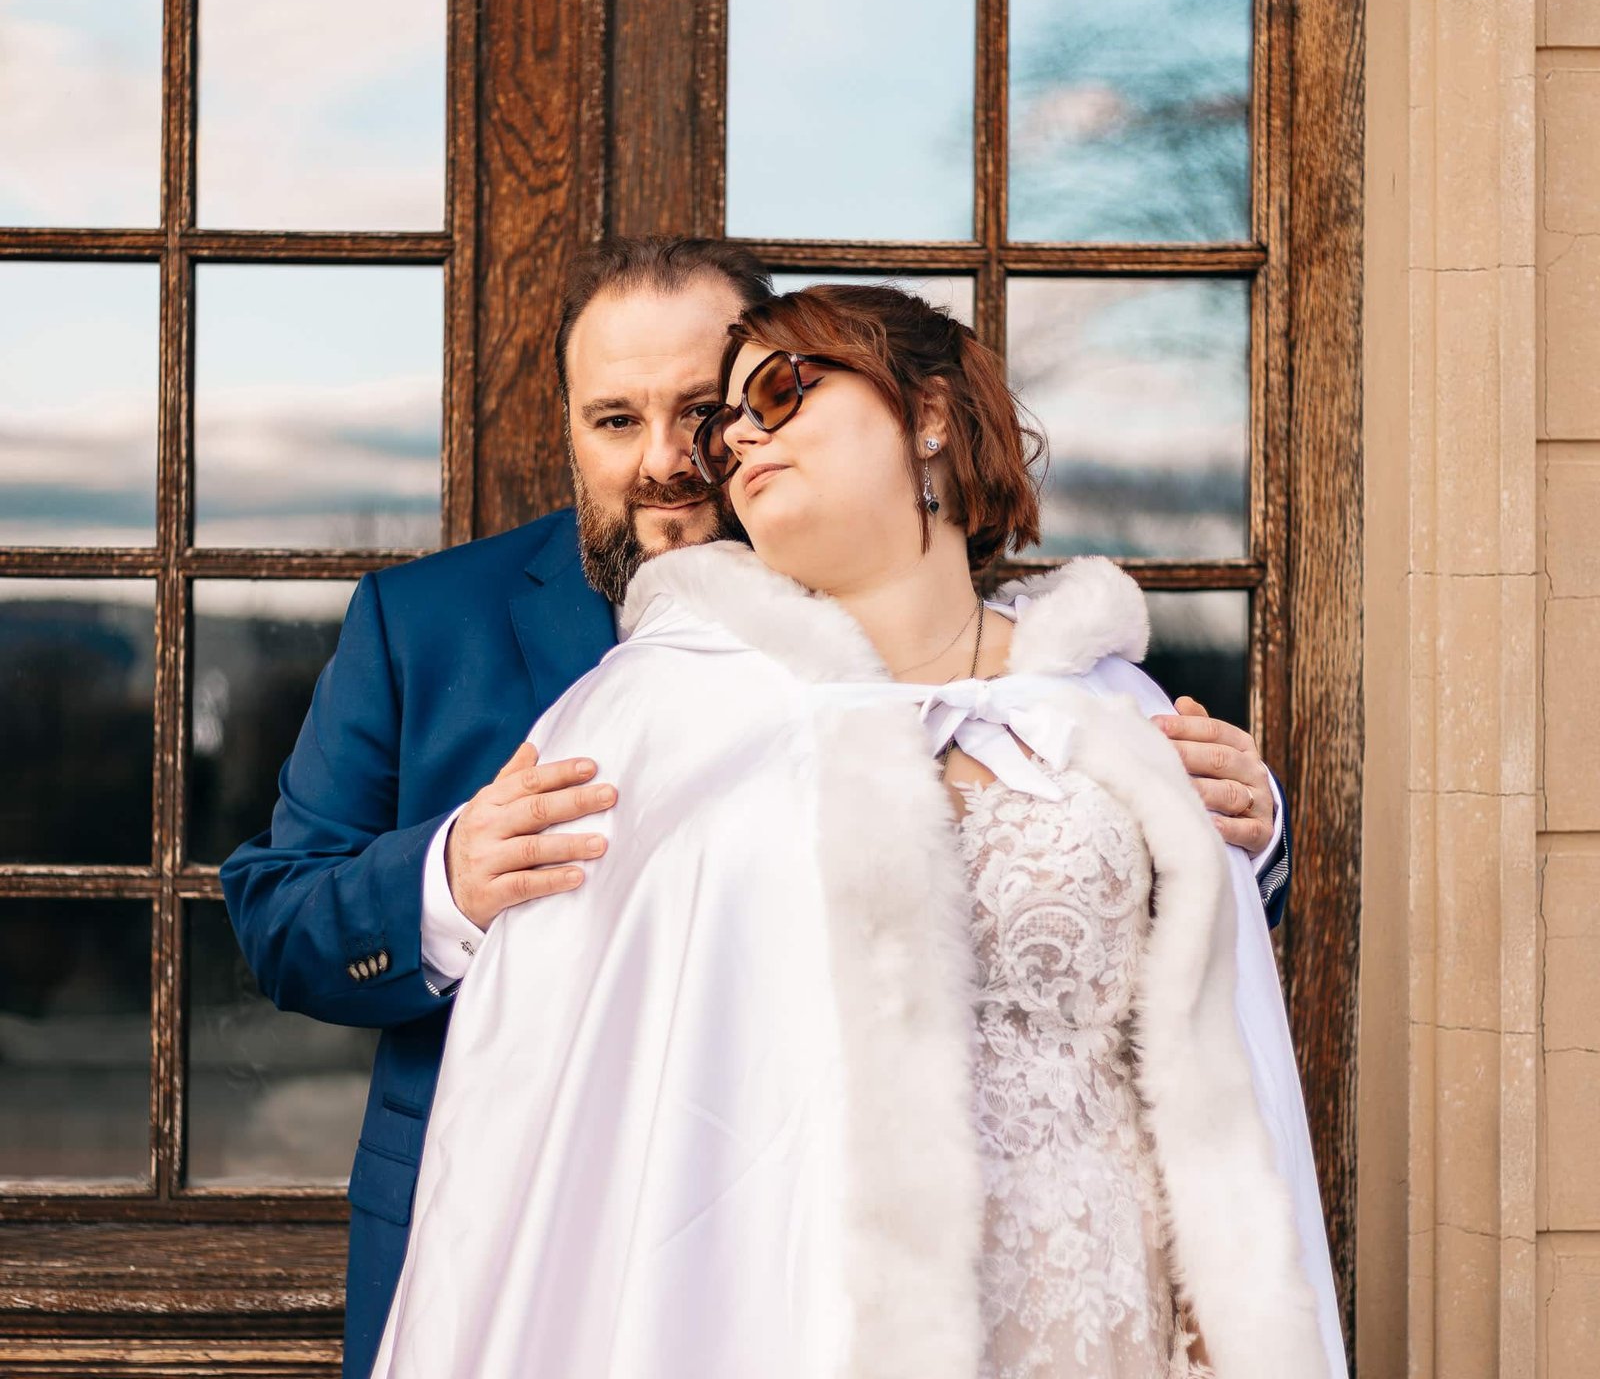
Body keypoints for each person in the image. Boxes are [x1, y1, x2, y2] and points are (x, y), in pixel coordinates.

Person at [220, 239, 1295, 1379]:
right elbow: (280, 912)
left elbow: (1066, 902)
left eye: (709, 411)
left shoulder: (960, 629)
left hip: (881, 1259)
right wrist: (448, 882)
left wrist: (1235, 831)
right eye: (615, 420)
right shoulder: (429, 621)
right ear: (569, 429)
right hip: (541, 1246)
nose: (673, 459)